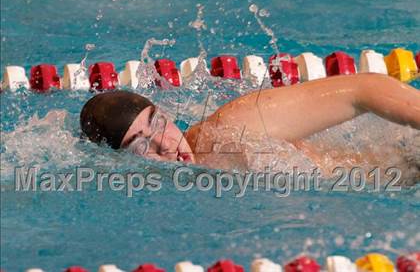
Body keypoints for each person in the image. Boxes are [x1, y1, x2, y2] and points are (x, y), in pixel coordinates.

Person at [80, 73, 420, 173]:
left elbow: (362, 90)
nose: (166, 144)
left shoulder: (232, 128)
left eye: (157, 124)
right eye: (139, 144)